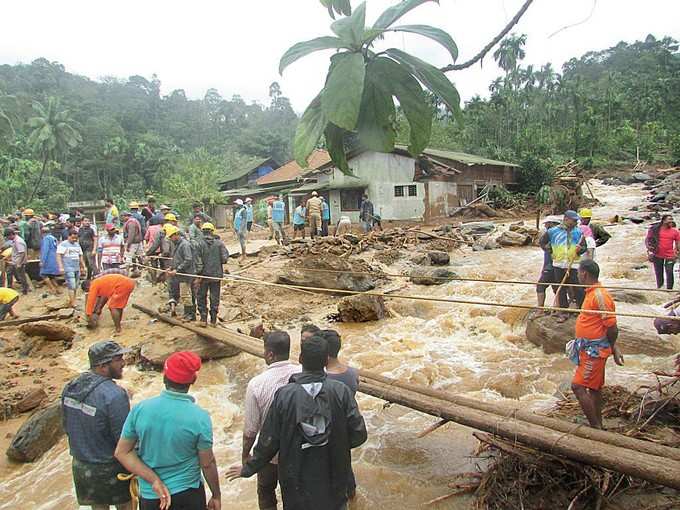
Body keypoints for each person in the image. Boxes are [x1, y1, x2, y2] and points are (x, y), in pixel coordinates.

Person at [227, 335, 368, 510]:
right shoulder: (341, 392)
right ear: (326, 361)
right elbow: (359, 434)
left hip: (295, 477)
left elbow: (269, 441)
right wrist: (336, 445)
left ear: (301, 359)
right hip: (334, 474)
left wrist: (248, 468)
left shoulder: (284, 395)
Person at [115, 352, 221, 510]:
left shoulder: (140, 410)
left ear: (164, 376)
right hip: (188, 494)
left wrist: (154, 480)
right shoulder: (200, 417)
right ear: (193, 380)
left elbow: (122, 453)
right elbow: (207, 463)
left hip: (152, 496)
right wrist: (216, 495)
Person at [62, 340, 133, 510]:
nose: (123, 363)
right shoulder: (115, 395)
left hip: (81, 466)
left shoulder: (71, 387)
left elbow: (66, 425)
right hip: (109, 468)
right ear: (102, 366)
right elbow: (124, 439)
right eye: (118, 359)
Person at [241, 330, 301, 510]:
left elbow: (251, 430)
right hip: (297, 450)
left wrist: (246, 455)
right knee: (295, 494)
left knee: (266, 492)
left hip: (268, 454)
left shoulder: (257, 384)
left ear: (270, 354)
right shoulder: (303, 373)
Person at [569, 259, 623, 429]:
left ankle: (596, 428)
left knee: (577, 387)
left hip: (595, 351)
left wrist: (612, 347)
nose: (577, 275)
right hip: (589, 349)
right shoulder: (591, 293)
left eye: (578, 272)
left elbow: (612, 328)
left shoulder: (600, 296)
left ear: (584, 273)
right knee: (594, 388)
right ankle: (598, 424)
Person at [319, 329, 360, 499]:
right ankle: (351, 496)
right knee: (345, 466)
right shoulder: (352, 373)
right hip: (345, 428)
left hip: (326, 431)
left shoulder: (323, 380)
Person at [540, 210, 587, 320]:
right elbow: (542, 242)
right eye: (574, 221)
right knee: (560, 288)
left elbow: (583, 247)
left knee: (578, 288)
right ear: (566, 219)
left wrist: (581, 250)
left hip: (574, 264)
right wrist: (550, 251)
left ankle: (582, 310)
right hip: (558, 264)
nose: (576, 223)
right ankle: (563, 312)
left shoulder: (579, 232)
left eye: (576, 221)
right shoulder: (552, 232)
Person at [195, 223, 229, 327]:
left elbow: (198, 261)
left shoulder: (198, 244)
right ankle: (213, 321)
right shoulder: (219, 244)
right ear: (212, 231)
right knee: (215, 297)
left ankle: (203, 319)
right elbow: (224, 259)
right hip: (216, 276)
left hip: (203, 276)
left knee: (201, 297)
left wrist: (199, 274)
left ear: (203, 231)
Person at [166, 225, 197, 321]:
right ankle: (187, 313)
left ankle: (190, 315)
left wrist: (177, 269)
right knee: (186, 294)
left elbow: (188, 259)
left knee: (185, 294)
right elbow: (177, 259)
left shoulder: (184, 245)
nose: (171, 239)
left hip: (186, 273)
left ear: (176, 235)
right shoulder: (178, 245)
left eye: (171, 237)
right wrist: (171, 267)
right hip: (182, 273)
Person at [646, 214, 679, 290]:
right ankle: (660, 289)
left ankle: (669, 290)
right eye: (669, 219)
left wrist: (677, 253)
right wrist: (648, 248)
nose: (671, 221)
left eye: (672, 219)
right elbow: (648, 239)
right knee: (659, 273)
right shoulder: (655, 230)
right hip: (657, 254)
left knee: (669, 272)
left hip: (670, 256)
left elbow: (678, 244)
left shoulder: (675, 232)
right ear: (663, 221)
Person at [536, 216, 561, 309]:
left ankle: (540, 309)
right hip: (557, 265)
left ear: (551, 224)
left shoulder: (552, 235)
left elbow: (545, 246)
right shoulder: (559, 234)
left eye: (547, 224)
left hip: (550, 266)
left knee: (540, 286)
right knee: (556, 288)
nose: (545, 226)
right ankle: (558, 309)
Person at [57, 229, 86, 308]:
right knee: (71, 285)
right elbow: (59, 255)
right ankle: (73, 303)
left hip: (76, 267)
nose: (74, 239)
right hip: (68, 267)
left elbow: (80, 256)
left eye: (75, 238)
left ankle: (73, 300)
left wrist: (83, 267)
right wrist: (61, 266)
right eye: (72, 238)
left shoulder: (77, 245)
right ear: (68, 236)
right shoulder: (63, 244)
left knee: (76, 285)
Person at [5, 228, 31, 294]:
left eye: (8, 236)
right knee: (13, 273)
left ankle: (25, 290)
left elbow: (22, 253)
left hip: (18, 262)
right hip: (15, 261)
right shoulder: (15, 240)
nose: (8, 238)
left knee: (21, 276)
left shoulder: (18, 241)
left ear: (11, 235)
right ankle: (23, 288)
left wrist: (19, 263)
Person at [40, 222, 62, 295]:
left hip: (48, 259)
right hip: (54, 258)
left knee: (43, 275)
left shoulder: (46, 239)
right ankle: (58, 289)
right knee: (52, 276)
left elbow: (45, 250)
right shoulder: (54, 238)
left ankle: (52, 289)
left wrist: (42, 261)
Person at [122, 211, 143, 277]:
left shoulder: (131, 223)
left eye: (122, 217)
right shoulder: (134, 221)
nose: (121, 218)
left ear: (125, 216)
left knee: (128, 258)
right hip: (138, 242)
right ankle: (138, 270)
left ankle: (126, 274)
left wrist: (128, 245)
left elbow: (131, 234)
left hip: (133, 243)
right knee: (138, 256)